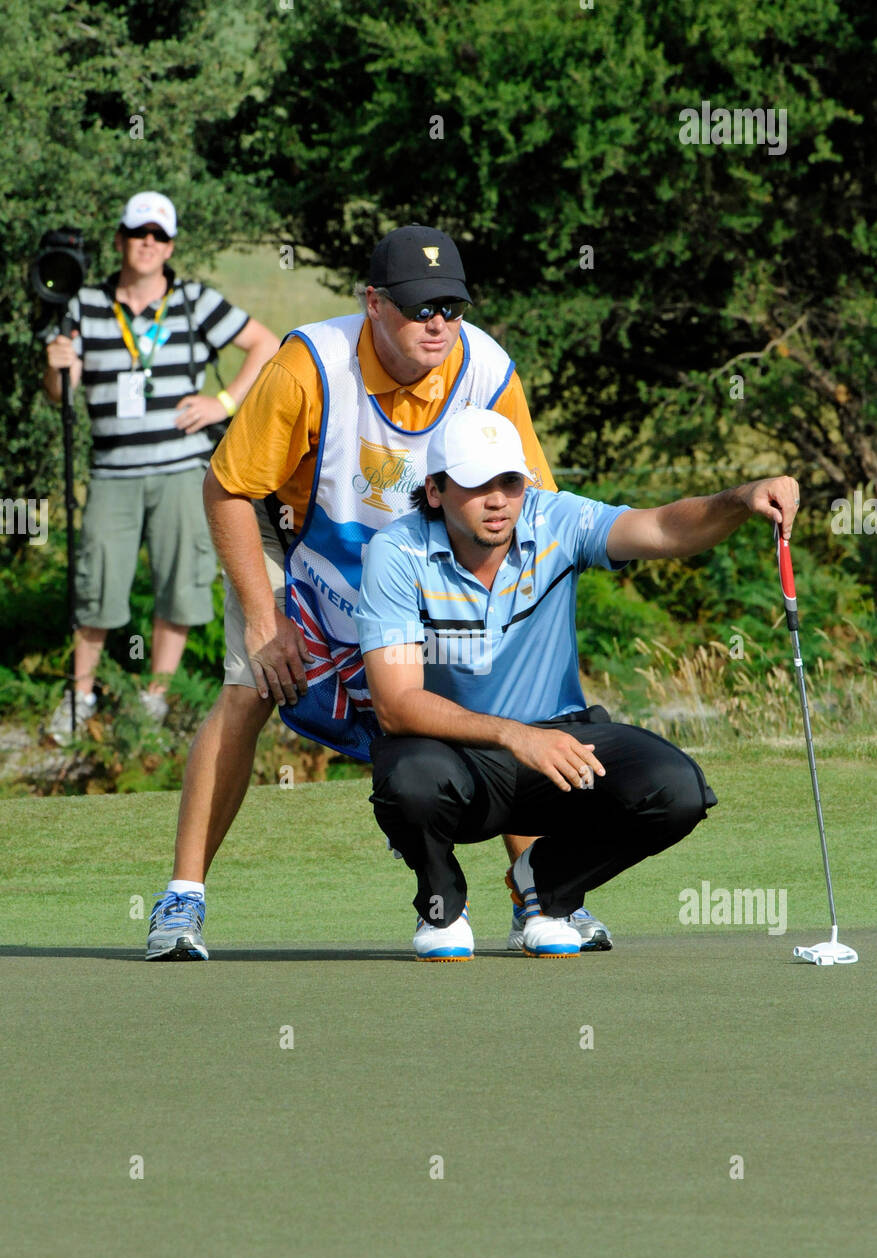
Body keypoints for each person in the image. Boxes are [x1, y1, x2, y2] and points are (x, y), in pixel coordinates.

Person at [146, 224, 604, 961]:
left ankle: (536, 894)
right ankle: (181, 901)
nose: (438, 324)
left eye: (450, 308)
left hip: (418, 556)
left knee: (498, 694)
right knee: (249, 686)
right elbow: (228, 489)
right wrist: (267, 623)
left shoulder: (484, 368)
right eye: (420, 307)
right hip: (293, 544)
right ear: (372, 304)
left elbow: (533, 503)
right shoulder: (309, 364)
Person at [353, 407, 801, 960]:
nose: (498, 500)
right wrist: (517, 735)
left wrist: (739, 497)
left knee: (675, 790)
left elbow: (663, 528)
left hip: (558, 750)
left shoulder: (554, 520)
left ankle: (547, 887)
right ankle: (442, 905)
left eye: (510, 483)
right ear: (437, 490)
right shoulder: (396, 554)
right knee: (409, 778)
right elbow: (396, 706)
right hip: (454, 761)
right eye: (476, 485)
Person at [42, 190, 280, 742]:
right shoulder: (84, 304)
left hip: (182, 471)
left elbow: (266, 344)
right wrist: (55, 368)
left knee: (180, 582)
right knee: (97, 582)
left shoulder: (194, 300)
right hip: (112, 473)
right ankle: (80, 696)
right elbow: (59, 395)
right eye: (137, 232)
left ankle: (155, 699)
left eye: (159, 235)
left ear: (170, 245)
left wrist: (222, 404)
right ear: (121, 239)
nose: (148, 243)